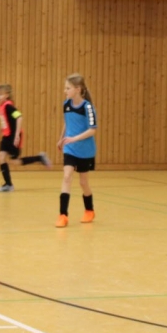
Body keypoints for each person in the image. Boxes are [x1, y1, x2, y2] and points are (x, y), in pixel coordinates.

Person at [56, 74, 98, 228]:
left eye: (68, 88)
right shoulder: (66, 104)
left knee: (83, 182)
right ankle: (63, 215)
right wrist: (62, 138)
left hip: (85, 150)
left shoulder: (88, 108)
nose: (65, 91)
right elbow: (67, 123)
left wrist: (74, 138)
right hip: (70, 149)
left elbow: (92, 130)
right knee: (67, 176)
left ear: (77, 89)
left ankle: (89, 210)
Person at [0, 84, 51, 192]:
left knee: (15, 162)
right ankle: (8, 184)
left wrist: (16, 135)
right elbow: (6, 123)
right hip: (6, 137)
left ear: (7, 95)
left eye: (0, 94)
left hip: (13, 137)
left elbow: (19, 117)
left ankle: (39, 158)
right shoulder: (2, 107)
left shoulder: (9, 107)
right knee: (1, 158)